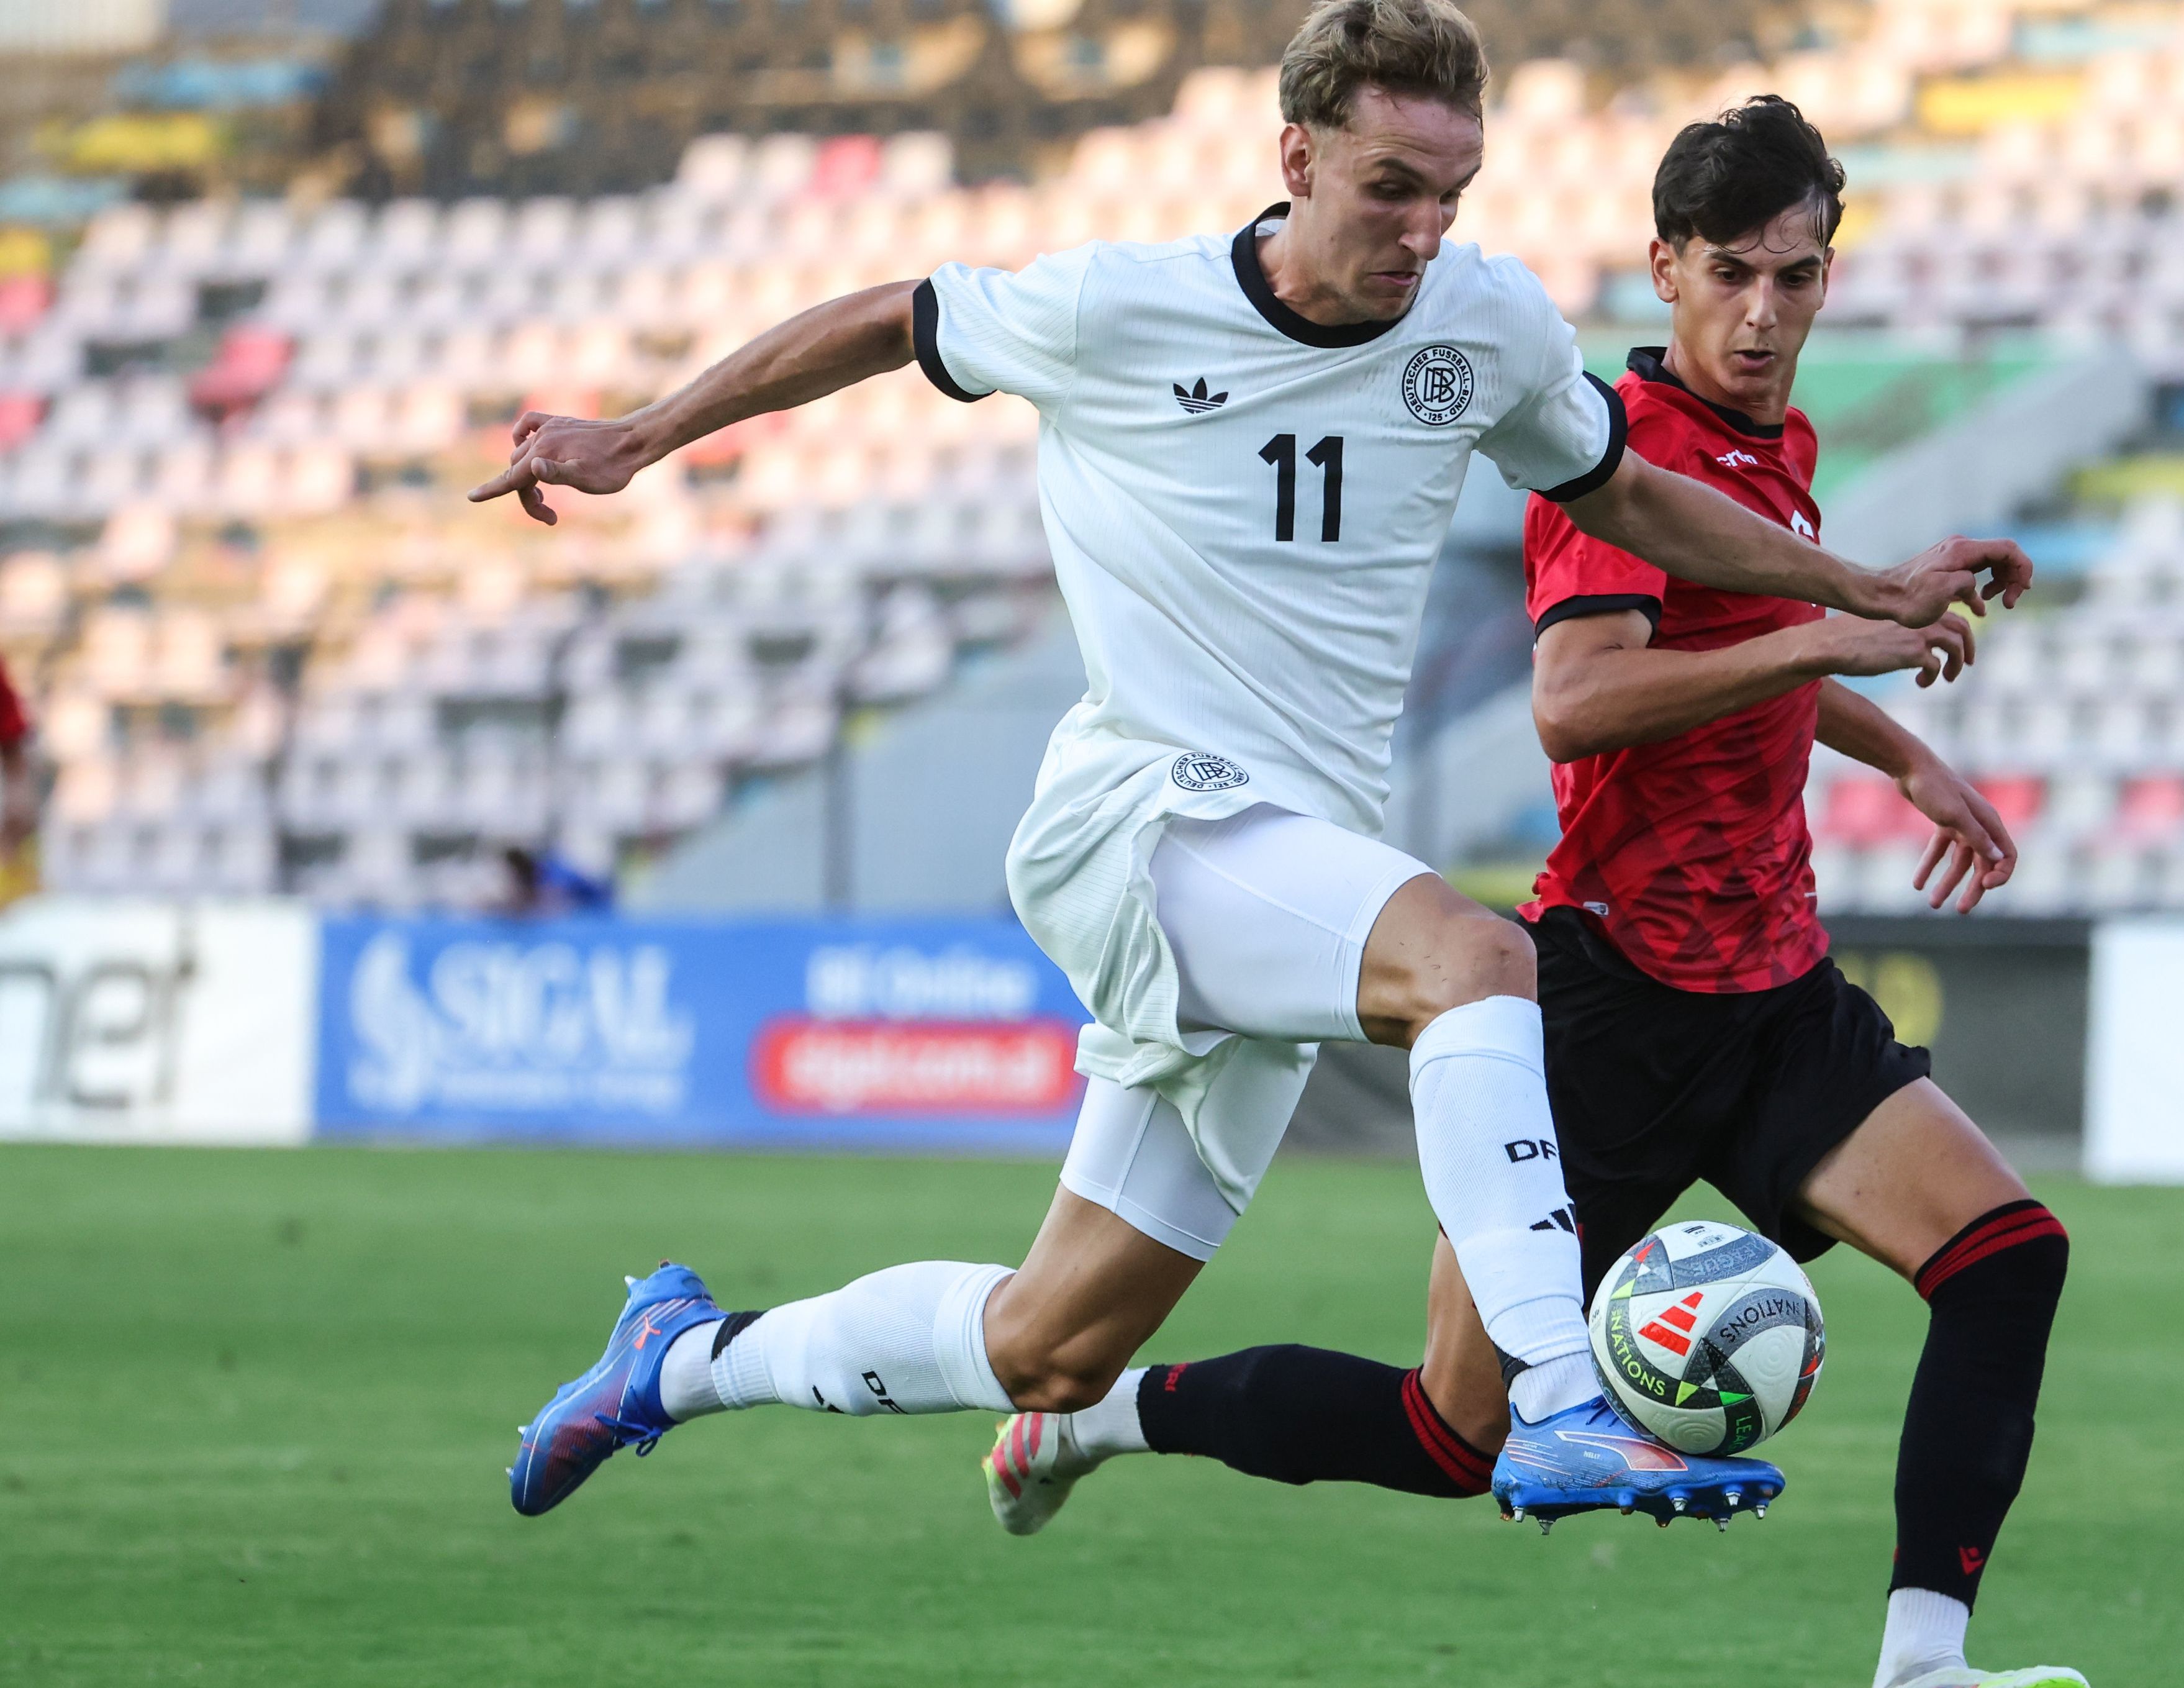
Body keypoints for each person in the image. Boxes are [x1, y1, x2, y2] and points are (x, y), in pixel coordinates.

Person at [476, 0, 2024, 1533]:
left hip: (1294, 874)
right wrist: (642, 434)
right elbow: (897, 315)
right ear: (1295, 156)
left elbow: (1623, 490)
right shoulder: (1116, 307)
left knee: (1052, 1340)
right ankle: (1562, 1402)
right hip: (1144, 822)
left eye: (1451, 195)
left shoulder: (1480, 325)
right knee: (1482, 962)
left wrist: (1862, 589)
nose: (1424, 231)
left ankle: (679, 1362)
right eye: (1390, 189)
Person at [982, 99, 2083, 1688]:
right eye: (1733, 276)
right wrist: (1832, 644)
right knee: (1449, 1434)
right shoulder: (1606, 456)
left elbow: (1736, 662)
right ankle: (1098, 1413)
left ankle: (1923, 1666)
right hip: (1611, 1005)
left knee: (2007, 1259)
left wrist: (1894, 749)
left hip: (1772, 991)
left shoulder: (1784, 447)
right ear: (1665, 270)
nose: (1766, 313)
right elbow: (1577, 699)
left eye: (1798, 275)